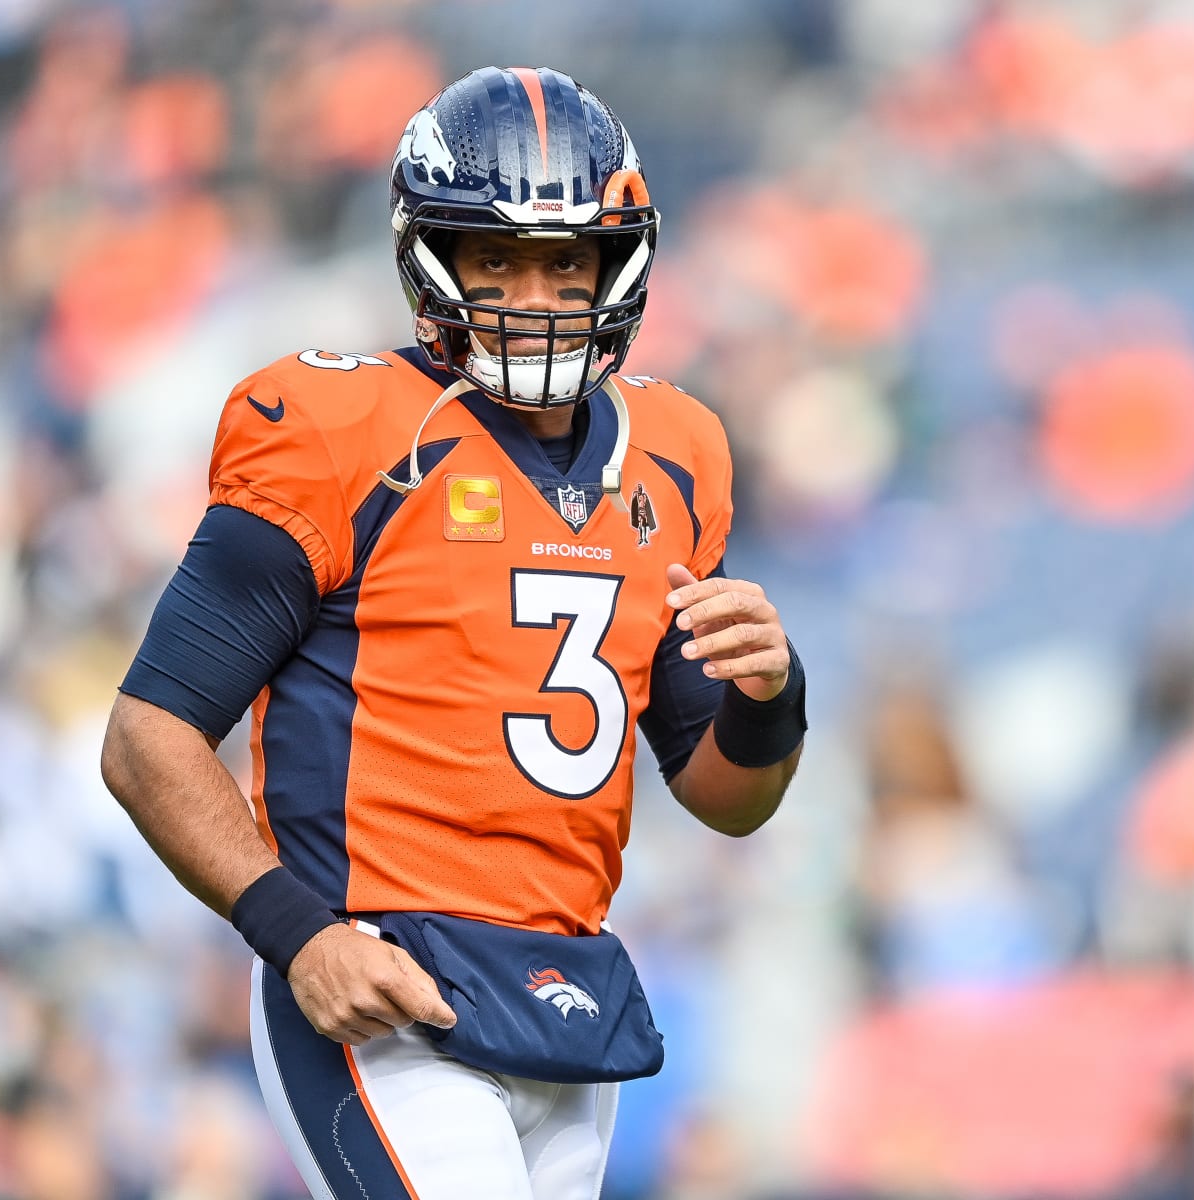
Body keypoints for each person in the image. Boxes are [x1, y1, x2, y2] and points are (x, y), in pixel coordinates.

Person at [98, 66, 806, 1199]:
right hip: (383, 983)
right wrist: (297, 934)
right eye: (497, 258)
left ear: (616, 265)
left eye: (566, 259)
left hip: (563, 999)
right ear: (432, 260)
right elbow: (147, 735)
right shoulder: (342, 428)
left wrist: (774, 697)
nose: (533, 293)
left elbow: (728, 799)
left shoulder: (677, 454)